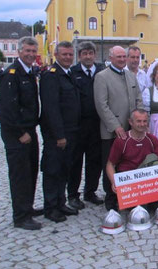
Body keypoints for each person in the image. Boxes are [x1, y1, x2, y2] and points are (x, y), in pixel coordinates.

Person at [0, 37, 42, 230]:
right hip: (17, 132)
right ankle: (21, 216)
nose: (31, 54)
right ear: (19, 51)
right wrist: (20, 132)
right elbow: (8, 108)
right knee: (20, 173)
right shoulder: (11, 74)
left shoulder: (28, 72)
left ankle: (27, 207)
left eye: (33, 51)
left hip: (29, 130)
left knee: (31, 170)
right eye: (27, 51)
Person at [94, 45, 143, 211]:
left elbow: (138, 99)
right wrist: (115, 126)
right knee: (111, 163)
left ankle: (126, 195)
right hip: (111, 131)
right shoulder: (102, 77)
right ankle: (110, 196)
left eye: (124, 57)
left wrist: (139, 121)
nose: (122, 60)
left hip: (130, 129)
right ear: (111, 57)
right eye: (119, 57)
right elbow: (101, 105)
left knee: (127, 164)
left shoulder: (130, 76)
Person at [39, 41, 81, 223]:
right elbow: (51, 109)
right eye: (64, 54)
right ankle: (50, 207)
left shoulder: (68, 74)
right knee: (53, 170)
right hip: (58, 135)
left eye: (70, 54)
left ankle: (60, 202)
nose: (68, 57)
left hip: (71, 132)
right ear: (56, 55)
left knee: (65, 168)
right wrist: (59, 135)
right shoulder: (51, 76)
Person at [67, 42, 104, 211]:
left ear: (94, 55)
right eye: (84, 53)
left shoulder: (102, 71)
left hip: (97, 123)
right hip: (78, 124)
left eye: (90, 53)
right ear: (79, 55)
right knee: (75, 161)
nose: (88, 56)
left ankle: (90, 191)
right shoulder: (73, 73)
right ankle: (73, 194)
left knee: (94, 160)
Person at [106, 109, 158, 193]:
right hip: (128, 181)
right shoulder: (121, 140)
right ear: (130, 122)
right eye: (138, 121)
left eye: (145, 121)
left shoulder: (152, 139)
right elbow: (110, 164)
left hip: (147, 181)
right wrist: (114, 182)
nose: (142, 124)